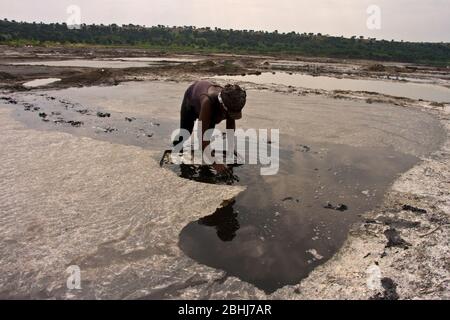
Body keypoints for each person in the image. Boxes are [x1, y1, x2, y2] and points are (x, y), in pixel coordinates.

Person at [173, 80, 247, 173]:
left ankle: (205, 162)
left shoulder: (233, 101)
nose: (229, 116)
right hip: (191, 101)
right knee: (186, 133)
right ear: (222, 106)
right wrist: (215, 163)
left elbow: (230, 128)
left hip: (213, 109)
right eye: (228, 113)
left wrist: (230, 148)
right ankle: (176, 148)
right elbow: (201, 137)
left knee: (208, 136)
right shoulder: (208, 102)